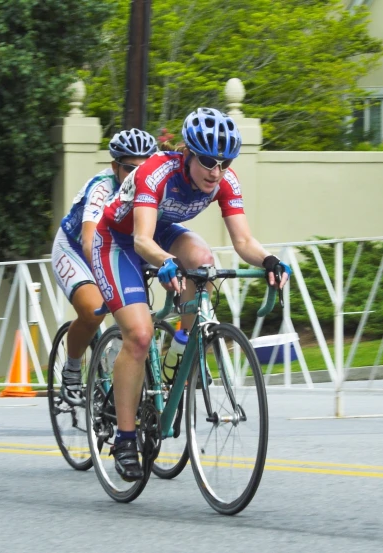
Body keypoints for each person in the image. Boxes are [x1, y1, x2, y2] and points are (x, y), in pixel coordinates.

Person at [91, 107, 291, 481]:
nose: (216, 171)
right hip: (116, 240)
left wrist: (269, 260)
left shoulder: (225, 181)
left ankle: (178, 350)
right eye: (208, 161)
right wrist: (166, 261)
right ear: (186, 152)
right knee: (138, 334)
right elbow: (141, 240)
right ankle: (124, 437)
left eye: (224, 162)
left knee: (203, 260)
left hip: (162, 230)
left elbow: (244, 240)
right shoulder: (156, 172)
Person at [51, 129, 157, 405]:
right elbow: (89, 241)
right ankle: (72, 368)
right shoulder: (102, 186)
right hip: (76, 248)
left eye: (143, 168)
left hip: (120, 247)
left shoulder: (154, 186)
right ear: (114, 166)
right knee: (93, 309)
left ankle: (116, 373)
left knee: (139, 319)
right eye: (129, 168)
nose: (136, 175)